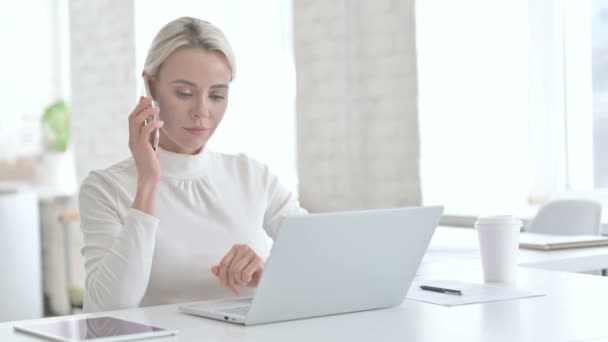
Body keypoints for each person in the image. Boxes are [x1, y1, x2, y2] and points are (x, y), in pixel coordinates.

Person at [78, 17, 306, 312]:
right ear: (150, 87)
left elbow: (319, 260)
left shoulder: (252, 176)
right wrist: (148, 181)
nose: (202, 111)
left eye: (216, 96)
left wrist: (269, 276)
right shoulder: (105, 188)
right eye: (184, 93)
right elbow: (110, 306)